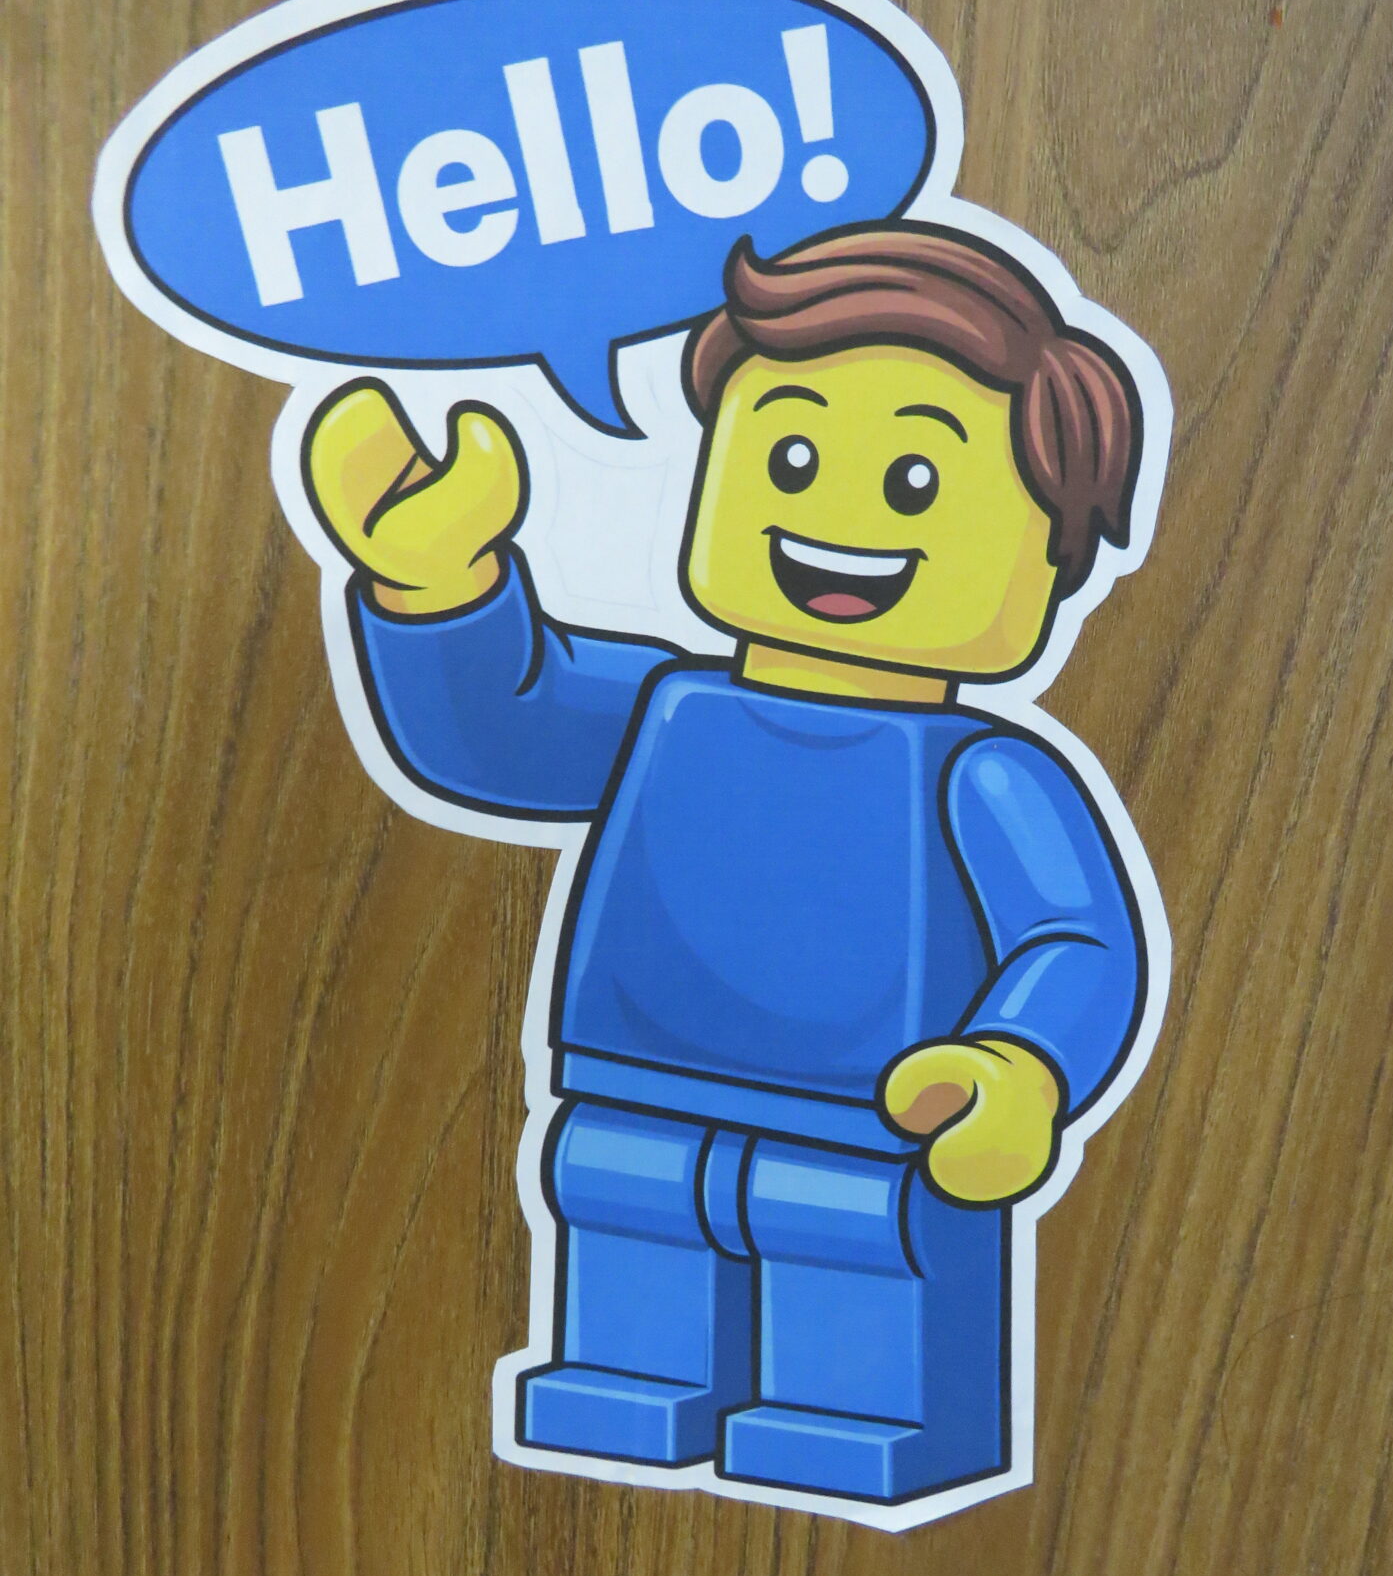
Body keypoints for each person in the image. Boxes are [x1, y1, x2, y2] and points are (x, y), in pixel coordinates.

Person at [302, 222, 1148, 1504]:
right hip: (637, 1078)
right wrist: (441, 592)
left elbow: (1075, 940)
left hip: (874, 1116)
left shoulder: (983, 775)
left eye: (916, 481)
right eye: (790, 456)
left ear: (1053, 551)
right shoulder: (664, 707)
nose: (838, 522)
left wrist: (1020, 1067)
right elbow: (498, 733)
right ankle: (629, 1380)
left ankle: (867, 1413)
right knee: (631, 1212)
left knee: (850, 1246)